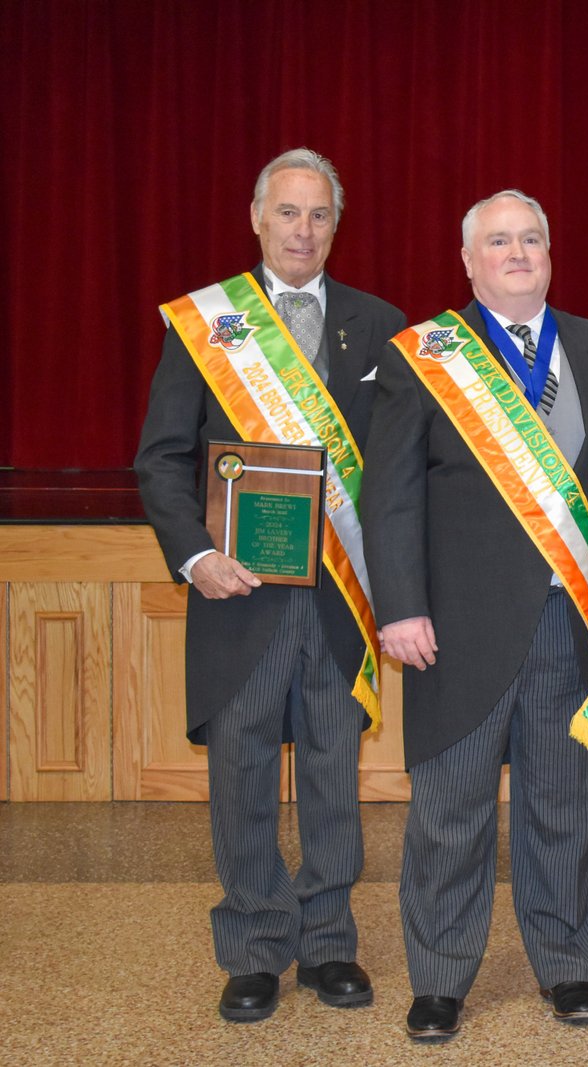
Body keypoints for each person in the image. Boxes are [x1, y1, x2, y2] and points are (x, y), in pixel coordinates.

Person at [134, 147, 404, 1022]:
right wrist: (194, 555)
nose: (303, 229)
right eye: (288, 212)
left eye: (319, 215)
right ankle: (253, 946)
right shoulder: (209, 324)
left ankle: (328, 943)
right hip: (236, 593)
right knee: (242, 775)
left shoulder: (379, 323)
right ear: (256, 217)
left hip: (336, 597)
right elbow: (162, 458)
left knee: (333, 772)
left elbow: (396, 475)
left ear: (336, 225)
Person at [362, 190, 588, 1041]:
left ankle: (566, 966)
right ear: (469, 262)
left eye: (530, 240)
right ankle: (439, 979)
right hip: (456, 629)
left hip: (568, 624)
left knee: (564, 804)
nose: (517, 253)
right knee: (451, 811)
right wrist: (399, 606)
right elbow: (391, 493)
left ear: (551, 255)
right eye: (497, 242)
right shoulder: (425, 355)